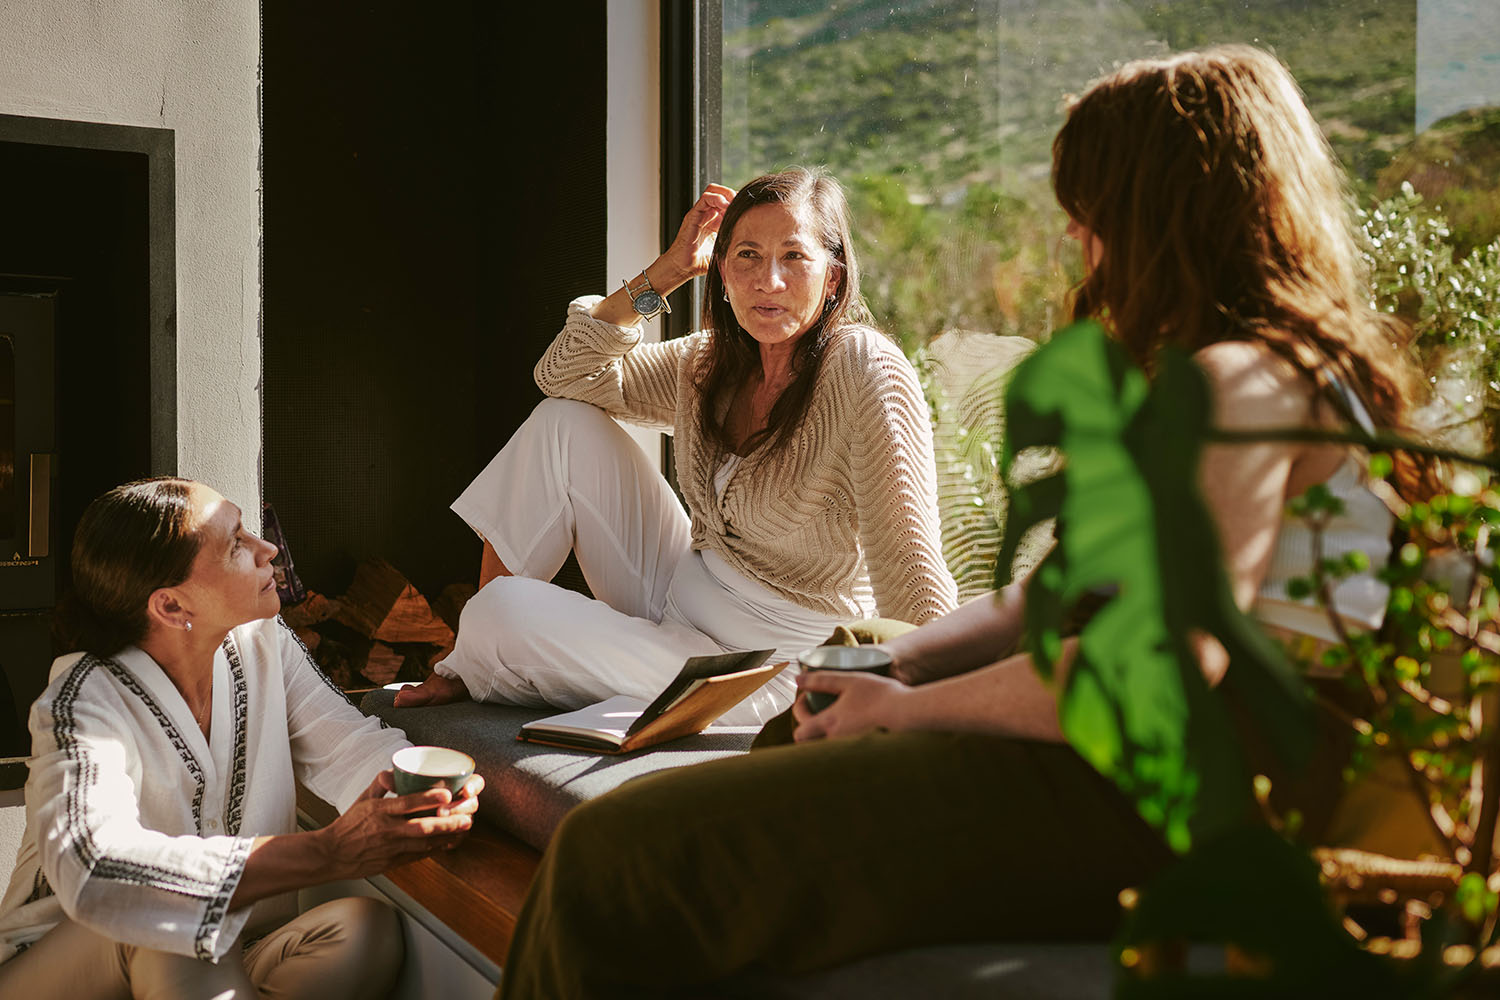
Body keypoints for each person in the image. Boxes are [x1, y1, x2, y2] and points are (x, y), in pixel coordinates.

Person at [492, 45, 1432, 999]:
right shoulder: (1247, 375)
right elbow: (1061, 598)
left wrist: (911, 707)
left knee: (613, 853)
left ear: (1165, 213)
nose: (1080, 242)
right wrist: (891, 665)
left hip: (1163, 797)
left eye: (1093, 212)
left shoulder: (1237, 387)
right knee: (846, 659)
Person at [397, 167, 958, 725]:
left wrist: (937, 713)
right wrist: (663, 275)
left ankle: (485, 650)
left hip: (764, 665)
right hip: (678, 589)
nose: (768, 280)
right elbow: (564, 375)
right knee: (562, 423)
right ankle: (471, 663)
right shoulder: (712, 362)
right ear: (721, 270)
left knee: (498, 613)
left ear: (833, 277)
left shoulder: (865, 371)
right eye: (746, 255)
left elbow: (912, 571)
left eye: (794, 256)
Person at [0, 478, 485, 999]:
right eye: (235, 543)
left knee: (364, 932)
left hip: (229, 958)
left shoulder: (263, 645)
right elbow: (96, 869)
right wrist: (329, 852)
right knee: (170, 922)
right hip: (56, 972)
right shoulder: (81, 701)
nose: (268, 548)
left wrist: (426, 797)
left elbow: (348, 745)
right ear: (171, 606)